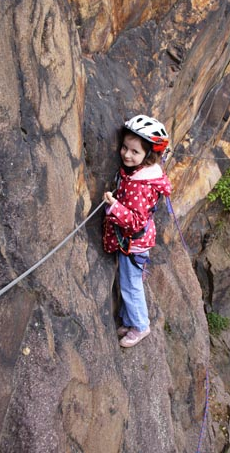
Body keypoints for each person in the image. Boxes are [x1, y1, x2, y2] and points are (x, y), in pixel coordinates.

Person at [103, 114, 172, 348]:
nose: (126, 155)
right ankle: (132, 321)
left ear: (148, 156)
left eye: (134, 152)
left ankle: (141, 326)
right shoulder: (141, 175)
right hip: (135, 243)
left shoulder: (141, 186)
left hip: (134, 244)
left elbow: (135, 221)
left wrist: (114, 206)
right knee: (128, 283)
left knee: (130, 285)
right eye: (125, 148)